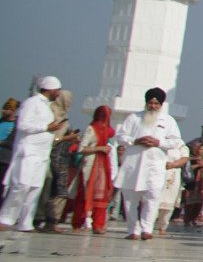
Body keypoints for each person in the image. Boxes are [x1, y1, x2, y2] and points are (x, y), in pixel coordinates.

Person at [113, 87, 184, 240]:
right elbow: (121, 136)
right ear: (146, 103)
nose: (153, 106)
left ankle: (147, 229)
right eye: (151, 103)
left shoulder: (168, 121)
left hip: (155, 165)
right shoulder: (134, 118)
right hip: (134, 164)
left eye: (156, 103)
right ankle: (133, 230)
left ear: (161, 104)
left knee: (152, 197)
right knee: (130, 199)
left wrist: (158, 142)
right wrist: (135, 141)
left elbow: (176, 141)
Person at [0, 77, 68, 232]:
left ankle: (25, 222)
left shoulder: (47, 106)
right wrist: (46, 127)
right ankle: (5, 218)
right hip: (28, 152)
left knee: (35, 188)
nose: (58, 93)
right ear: (50, 89)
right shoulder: (32, 103)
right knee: (21, 185)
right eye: (57, 89)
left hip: (42, 154)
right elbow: (23, 125)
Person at [70, 105, 118, 234]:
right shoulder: (91, 129)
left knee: (101, 196)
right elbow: (81, 148)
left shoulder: (106, 131)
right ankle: (78, 222)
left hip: (102, 167)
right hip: (90, 165)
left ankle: (98, 224)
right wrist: (99, 148)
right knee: (85, 194)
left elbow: (112, 132)